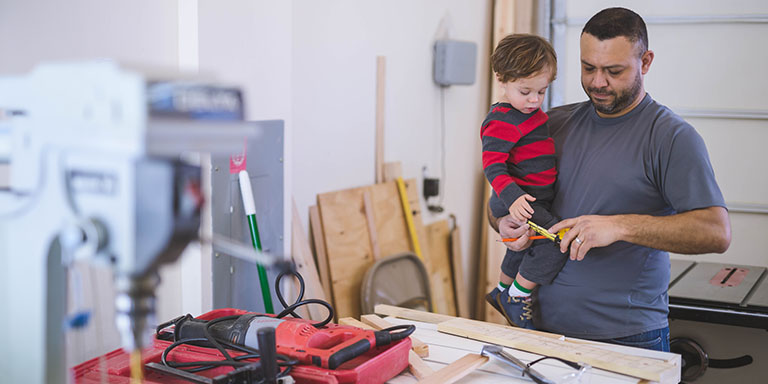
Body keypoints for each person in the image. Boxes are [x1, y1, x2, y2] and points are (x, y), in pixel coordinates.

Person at [489, 7, 731, 352]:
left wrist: (619, 227)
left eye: (613, 71)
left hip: (627, 339)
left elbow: (715, 232)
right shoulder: (550, 124)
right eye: (588, 68)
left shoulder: (671, 137)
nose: (597, 82)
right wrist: (504, 223)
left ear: (645, 62)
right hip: (537, 332)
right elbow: (499, 203)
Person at [481, 34, 564, 329]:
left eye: (541, 92)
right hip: (522, 198)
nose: (534, 100)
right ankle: (518, 296)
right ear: (501, 79)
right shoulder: (502, 120)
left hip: (529, 196)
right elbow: (492, 164)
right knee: (554, 242)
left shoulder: (529, 114)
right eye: (525, 91)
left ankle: (502, 290)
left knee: (523, 245)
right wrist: (513, 198)